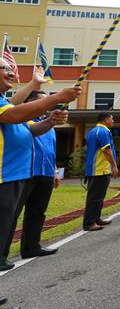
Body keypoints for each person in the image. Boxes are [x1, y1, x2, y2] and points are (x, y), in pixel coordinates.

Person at [0, 58, 80, 272]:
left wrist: (51, 118)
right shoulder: (10, 110)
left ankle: (28, 246)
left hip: (16, 173)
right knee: (6, 221)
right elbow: (15, 113)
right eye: (5, 68)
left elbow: (31, 128)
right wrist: (58, 98)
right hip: (5, 174)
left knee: (24, 216)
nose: (11, 72)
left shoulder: (8, 106)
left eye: (10, 69)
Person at [13, 90, 63, 259]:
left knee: (37, 212)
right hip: (26, 172)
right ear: (31, 103)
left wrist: (55, 171)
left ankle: (31, 247)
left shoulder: (49, 125)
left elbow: (51, 151)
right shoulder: (21, 122)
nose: (47, 106)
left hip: (46, 173)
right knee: (12, 213)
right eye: (43, 102)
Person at [83, 112, 118, 231]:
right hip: (99, 169)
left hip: (97, 169)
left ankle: (96, 218)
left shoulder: (93, 131)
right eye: (112, 119)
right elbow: (106, 151)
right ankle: (89, 223)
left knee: (99, 196)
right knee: (95, 197)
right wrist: (114, 166)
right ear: (105, 119)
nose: (113, 121)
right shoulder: (103, 131)